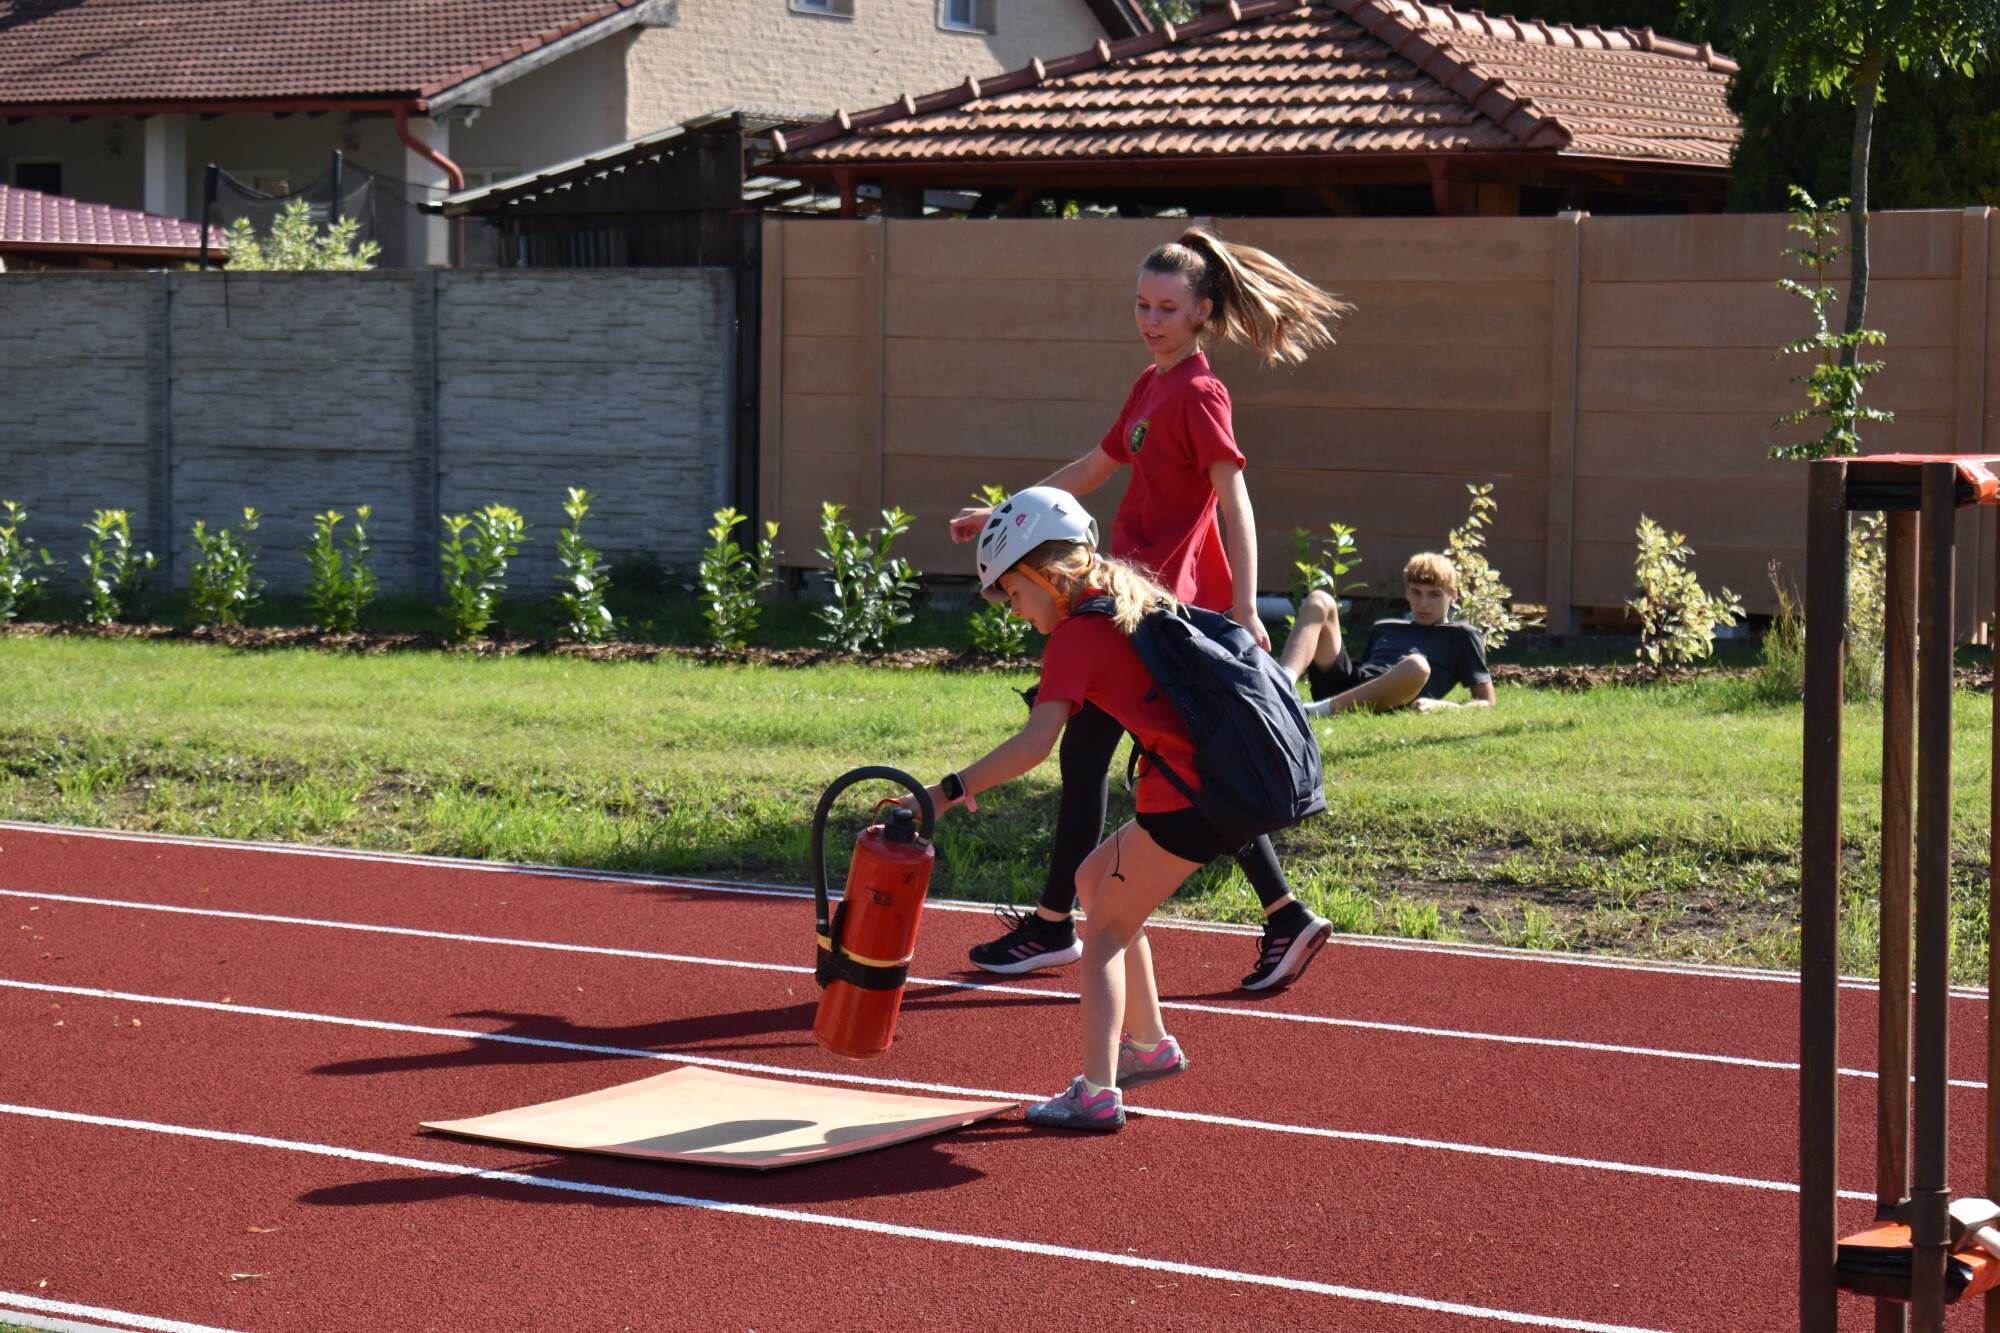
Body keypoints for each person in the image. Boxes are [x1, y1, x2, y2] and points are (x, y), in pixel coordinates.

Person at [948, 227, 1350, 991]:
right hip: (1119, 600)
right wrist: (1005, 516)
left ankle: (1059, 925)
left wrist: (1244, 606)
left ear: (1203, 312)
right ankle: (1275, 913)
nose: (1151, 319)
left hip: (1157, 619)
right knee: (1152, 763)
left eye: (1167, 308)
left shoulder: (1200, 393)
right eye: (1141, 304)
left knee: (1130, 759)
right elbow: (1091, 470)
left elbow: (1235, 499)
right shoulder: (1149, 385)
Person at [903, 486, 1252, 1129]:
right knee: (1096, 883)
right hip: (1205, 790)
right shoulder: (1124, 596)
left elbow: (1034, 745)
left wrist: (943, 793)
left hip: (1189, 798)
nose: (1013, 609)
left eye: (1013, 591)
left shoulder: (1076, 636)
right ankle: (1150, 1045)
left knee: (1106, 928)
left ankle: (1096, 1092)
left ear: (1044, 573)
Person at [1276, 552, 1496, 715]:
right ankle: (1280, 687)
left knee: (1417, 665)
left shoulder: (1462, 635)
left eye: (1434, 595)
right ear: (1407, 593)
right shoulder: (1385, 627)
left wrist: (1445, 706)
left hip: (1395, 696)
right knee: (1319, 599)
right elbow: (1365, 671)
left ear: (1453, 596)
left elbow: (1486, 701)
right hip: (1352, 687)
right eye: (1416, 593)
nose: (1423, 603)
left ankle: (1315, 711)